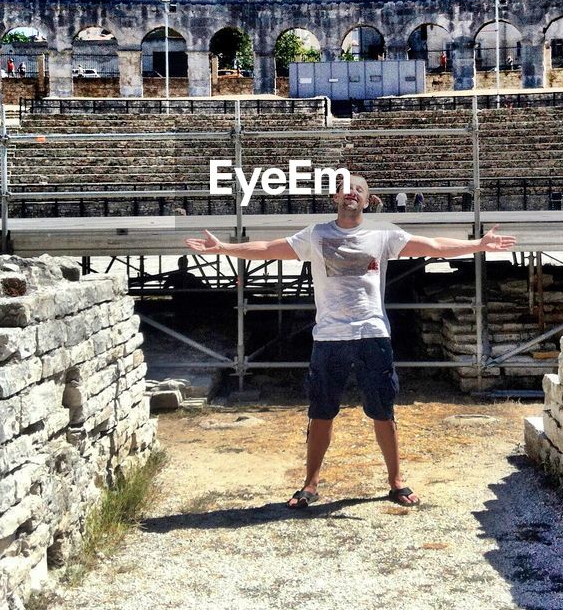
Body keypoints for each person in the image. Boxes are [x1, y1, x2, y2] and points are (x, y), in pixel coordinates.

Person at [184, 174, 515, 509]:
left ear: (368, 200)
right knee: (321, 412)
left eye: (359, 189)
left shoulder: (382, 233)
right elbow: (270, 249)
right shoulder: (316, 234)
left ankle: (396, 482)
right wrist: (224, 248)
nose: (351, 192)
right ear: (335, 197)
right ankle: (310, 484)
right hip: (330, 337)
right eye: (345, 188)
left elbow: (431, 246)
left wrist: (478, 245)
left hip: (373, 334)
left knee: (383, 412)